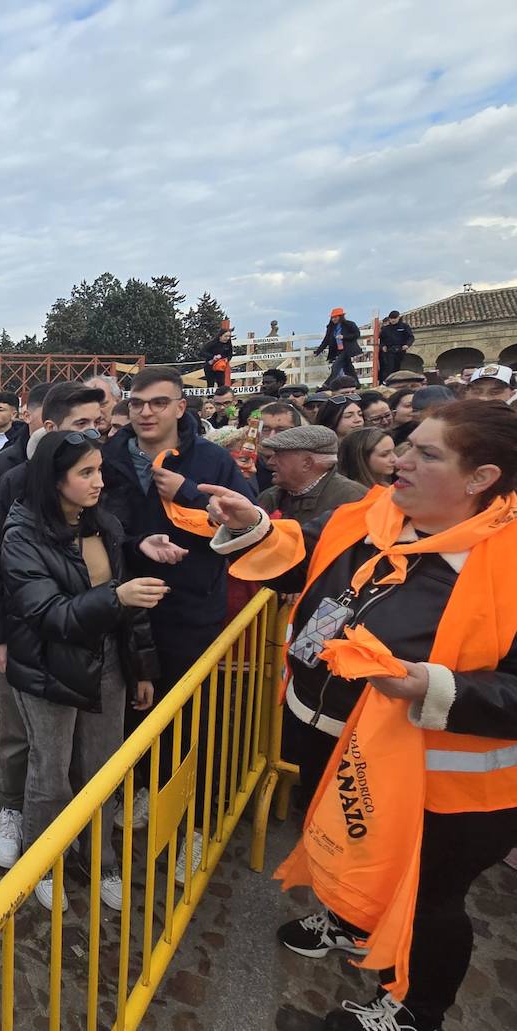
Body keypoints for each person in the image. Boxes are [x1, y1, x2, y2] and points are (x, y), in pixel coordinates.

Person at [201, 400, 517, 1031]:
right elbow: (305, 555)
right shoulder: (370, 515)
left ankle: (413, 1010)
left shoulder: (506, 566)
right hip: (329, 735)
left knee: (429, 902)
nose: (399, 460)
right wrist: (257, 526)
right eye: (406, 444)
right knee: (343, 843)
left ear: (480, 479)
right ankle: (347, 921)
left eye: (427, 454)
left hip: (444, 785)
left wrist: (436, 685)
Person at [1, 429, 160, 914]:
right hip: (49, 667)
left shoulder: (103, 526)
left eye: (99, 469)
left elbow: (130, 610)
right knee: (50, 774)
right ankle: (42, 860)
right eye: (85, 472)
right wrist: (116, 596)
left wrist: (142, 670)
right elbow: (48, 613)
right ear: (53, 480)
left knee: (102, 768)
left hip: (108, 662)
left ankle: (99, 857)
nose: (99, 481)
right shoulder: (21, 534)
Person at [100, 366, 255, 860]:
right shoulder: (106, 457)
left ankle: (195, 820)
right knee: (135, 710)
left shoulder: (210, 459)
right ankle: (146, 785)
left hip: (192, 605)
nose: (147, 411)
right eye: (138, 402)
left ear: (180, 407)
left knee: (192, 716)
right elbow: (92, 524)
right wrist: (136, 542)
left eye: (159, 402)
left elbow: (250, 521)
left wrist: (187, 492)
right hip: (128, 603)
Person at [257, 425, 368, 520]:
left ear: (307, 463)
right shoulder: (269, 498)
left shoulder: (353, 499)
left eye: (278, 455)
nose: (270, 462)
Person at [314, 307, 363, 385]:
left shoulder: (349, 324)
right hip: (338, 351)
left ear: (341, 317)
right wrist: (318, 351)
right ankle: (356, 384)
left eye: (335, 317)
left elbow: (357, 334)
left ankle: (326, 385)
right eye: (332, 317)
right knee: (348, 368)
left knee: (336, 367)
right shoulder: (331, 327)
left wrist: (344, 337)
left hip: (347, 350)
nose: (334, 319)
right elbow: (326, 340)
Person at [377, 310, 416, 382]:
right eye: (391, 318)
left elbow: (411, 337)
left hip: (400, 349)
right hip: (389, 351)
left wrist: (407, 345)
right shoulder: (385, 329)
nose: (393, 320)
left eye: (395, 318)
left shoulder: (404, 326)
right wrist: (382, 346)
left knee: (397, 367)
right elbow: (381, 340)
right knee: (389, 368)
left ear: (398, 317)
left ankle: (397, 381)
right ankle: (389, 382)